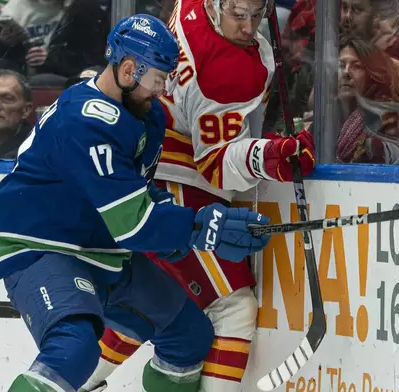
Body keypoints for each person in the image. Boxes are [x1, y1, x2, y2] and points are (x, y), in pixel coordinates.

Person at [0, 14, 271, 392]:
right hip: (40, 246)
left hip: (101, 247)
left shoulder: (143, 115)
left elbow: (138, 197)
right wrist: (201, 227)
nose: (163, 88)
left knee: (189, 337)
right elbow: (132, 223)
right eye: (157, 78)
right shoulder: (86, 121)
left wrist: (181, 231)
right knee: (75, 347)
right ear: (130, 69)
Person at [81, 1, 315, 392]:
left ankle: (62, 380)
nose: (248, 26)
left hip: (136, 168)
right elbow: (215, 165)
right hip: (174, 182)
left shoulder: (191, 6)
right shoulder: (228, 72)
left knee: (151, 302)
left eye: (256, 14)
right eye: (238, 14)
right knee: (233, 308)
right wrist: (266, 156)